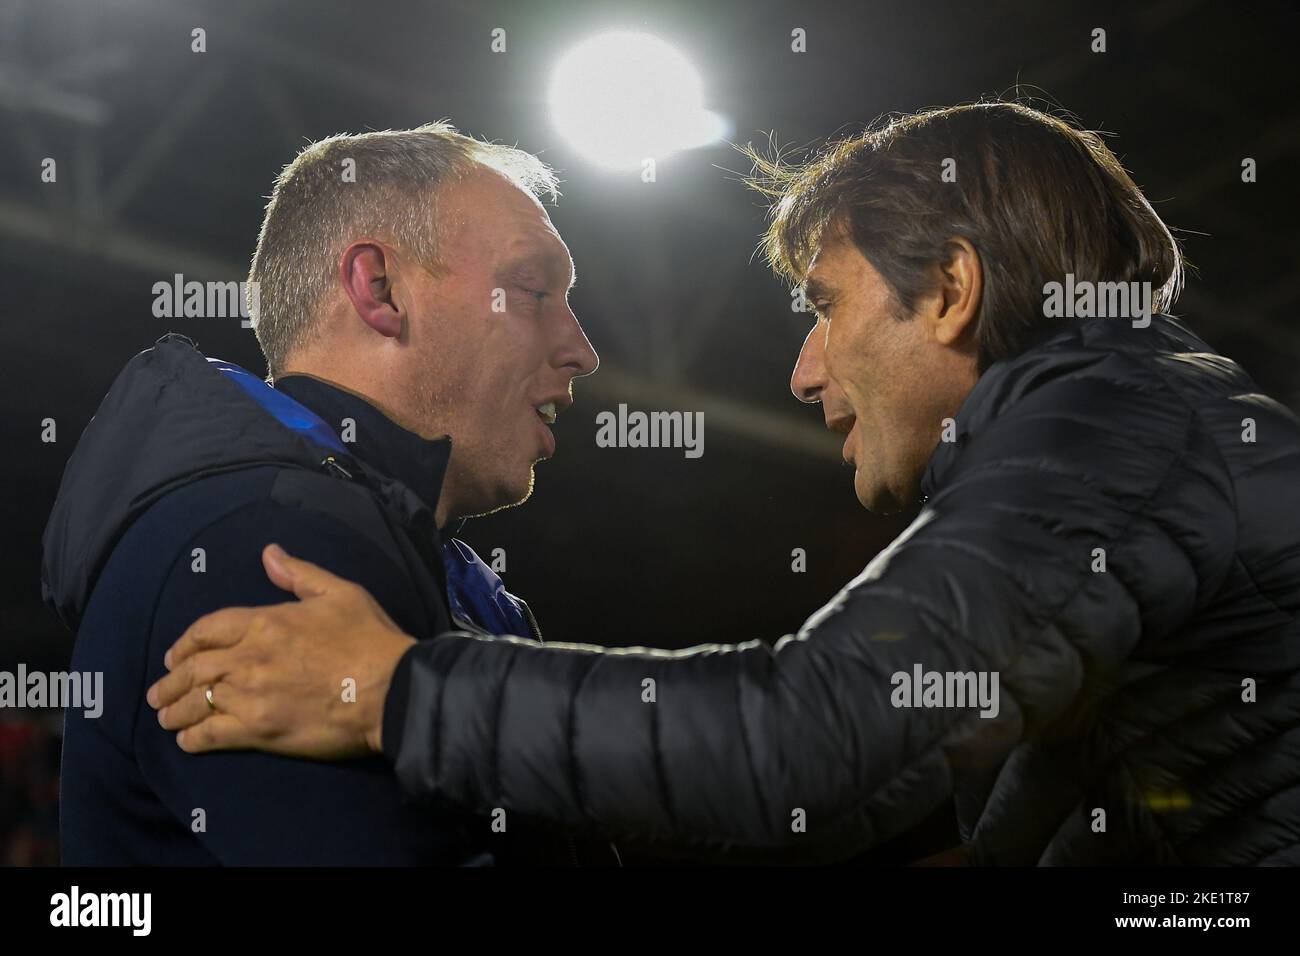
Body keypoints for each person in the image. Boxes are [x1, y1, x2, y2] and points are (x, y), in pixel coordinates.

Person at [150, 102, 1300, 865]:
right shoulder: (1131, 429)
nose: (804, 371)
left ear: (949, 289)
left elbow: (809, 732)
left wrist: (396, 690)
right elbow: (853, 789)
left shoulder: (1111, 420)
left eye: (825, 305)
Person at [42, 123, 600, 864]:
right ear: (379, 289)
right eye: (532, 290)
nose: (582, 350)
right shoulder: (261, 541)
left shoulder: (435, 567)